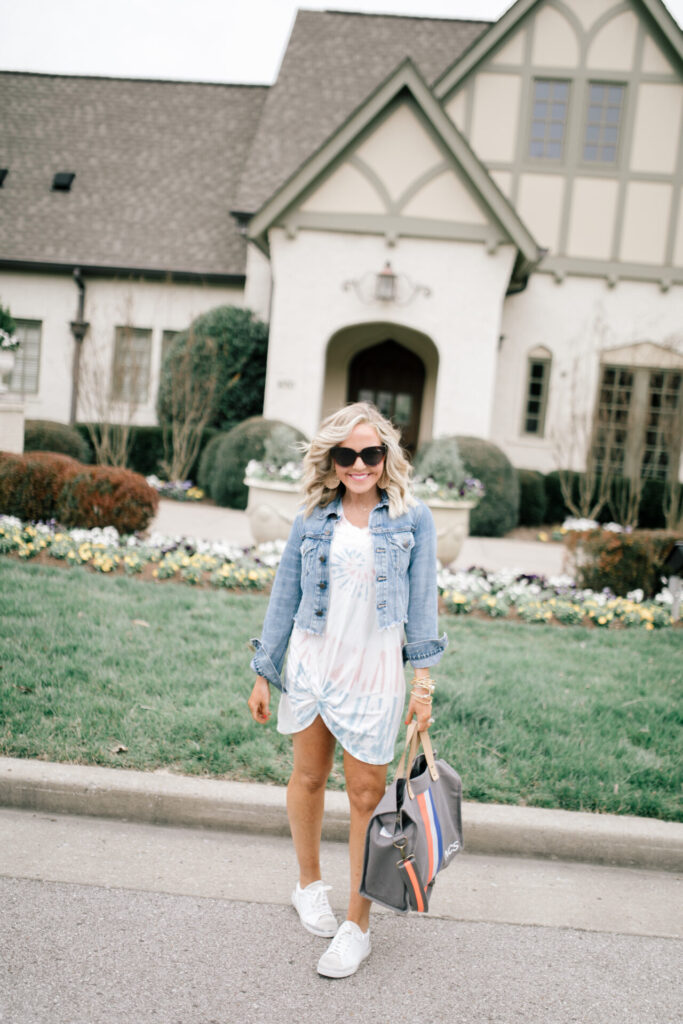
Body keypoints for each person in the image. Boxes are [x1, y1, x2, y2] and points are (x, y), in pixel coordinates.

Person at [247, 402, 446, 979]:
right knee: (308, 777)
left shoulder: (414, 517)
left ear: (387, 457)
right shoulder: (313, 514)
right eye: (346, 454)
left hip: (373, 673)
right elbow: (285, 592)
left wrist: (423, 683)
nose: (359, 464)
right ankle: (309, 886)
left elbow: (421, 604)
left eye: (371, 453)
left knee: (367, 795)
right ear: (331, 459)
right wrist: (266, 669)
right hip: (314, 663)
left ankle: (357, 926)